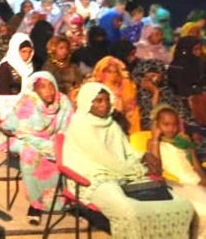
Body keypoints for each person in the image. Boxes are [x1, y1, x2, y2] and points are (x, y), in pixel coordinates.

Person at [62, 82, 194, 239]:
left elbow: (127, 153)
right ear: (87, 102)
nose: (104, 105)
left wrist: (143, 156)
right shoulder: (80, 125)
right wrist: (137, 169)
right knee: (130, 211)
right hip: (92, 179)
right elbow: (105, 159)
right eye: (98, 101)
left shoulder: (111, 125)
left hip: (123, 174)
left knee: (181, 205)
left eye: (106, 100)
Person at [0, 72, 73, 225]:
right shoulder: (28, 102)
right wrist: (42, 144)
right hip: (26, 139)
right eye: (43, 87)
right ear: (35, 89)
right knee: (30, 154)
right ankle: (35, 204)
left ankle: (62, 199)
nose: (49, 91)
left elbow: (68, 128)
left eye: (51, 86)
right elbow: (13, 127)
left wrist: (54, 143)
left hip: (54, 140)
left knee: (64, 151)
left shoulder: (64, 102)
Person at [147, 105, 206, 239]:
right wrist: (155, 138)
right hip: (175, 183)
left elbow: (195, 164)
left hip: (193, 179)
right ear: (157, 125)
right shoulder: (152, 142)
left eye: (174, 125)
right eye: (165, 124)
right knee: (202, 210)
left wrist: (203, 178)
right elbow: (155, 166)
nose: (171, 129)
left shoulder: (184, 140)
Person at [91, 56, 140, 134]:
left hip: (120, 124)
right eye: (109, 72)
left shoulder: (125, 86)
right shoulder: (93, 87)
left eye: (115, 72)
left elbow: (131, 111)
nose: (113, 75)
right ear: (101, 72)